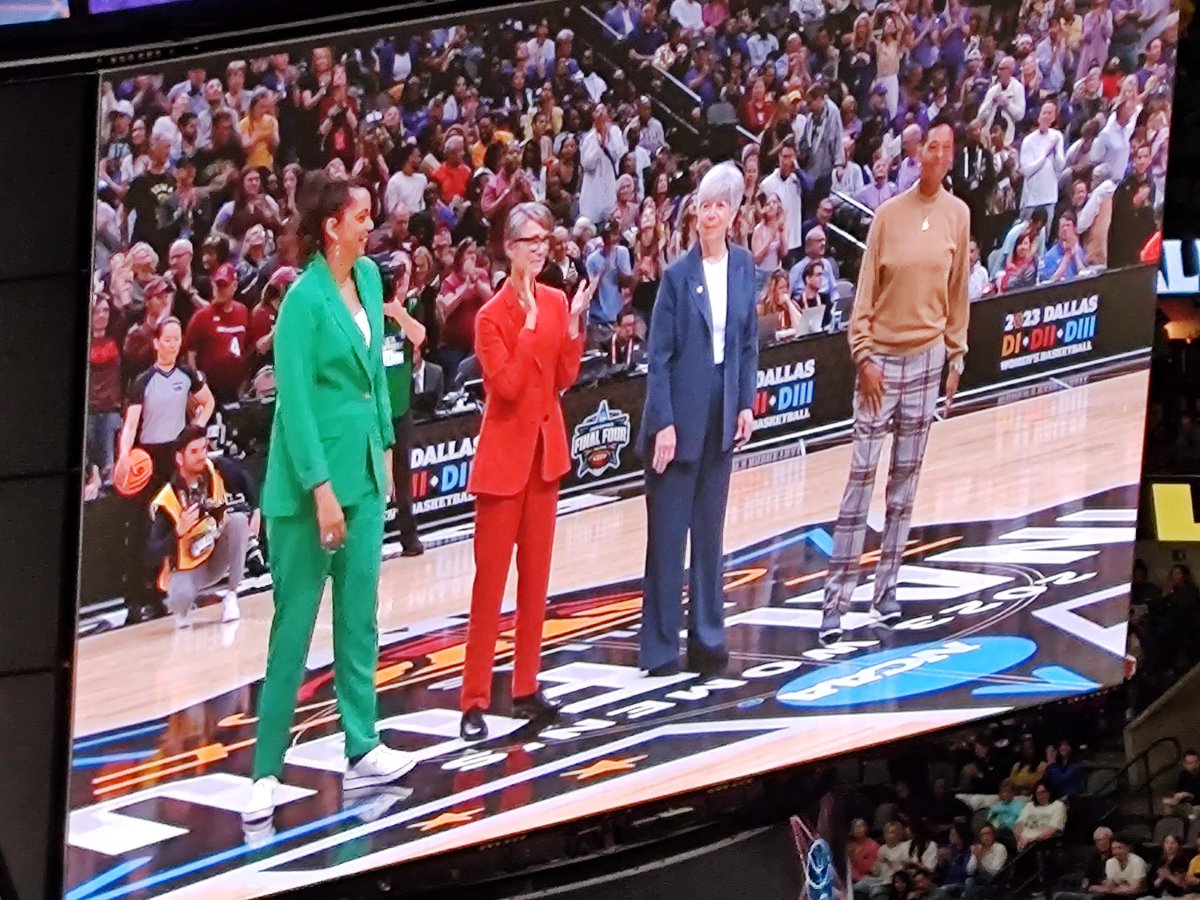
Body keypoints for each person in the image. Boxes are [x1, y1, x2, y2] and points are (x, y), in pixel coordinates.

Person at [245, 174, 415, 823]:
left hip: (367, 475)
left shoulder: (370, 280)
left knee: (360, 618)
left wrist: (388, 451)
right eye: (361, 215)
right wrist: (321, 492)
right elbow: (294, 407)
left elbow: (376, 377)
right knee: (293, 627)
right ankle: (264, 770)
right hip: (309, 489)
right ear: (330, 227)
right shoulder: (302, 303)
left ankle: (362, 743)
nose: (370, 224)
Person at [820, 119, 969, 644]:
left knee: (903, 490)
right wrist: (863, 358)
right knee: (859, 485)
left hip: (928, 360)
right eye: (933, 145)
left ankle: (885, 594)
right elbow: (863, 297)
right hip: (881, 360)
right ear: (918, 152)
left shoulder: (959, 216)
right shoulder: (886, 215)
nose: (939, 154)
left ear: (951, 158)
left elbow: (958, 295)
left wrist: (956, 358)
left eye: (948, 149)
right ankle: (834, 606)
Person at [458, 202, 596, 741]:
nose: (542, 248)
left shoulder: (559, 300)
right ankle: (472, 699)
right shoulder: (491, 317)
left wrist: (574, 324)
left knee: (536, 582)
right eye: (532, 240)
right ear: (510, 249)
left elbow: (562, 375)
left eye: (546, 240)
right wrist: (535, 327)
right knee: (489, 586)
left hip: (545, 458)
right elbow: (509, 387)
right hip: (502, 464)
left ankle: (525, 685)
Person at [637, 162, 758, 677]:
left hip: (722, 408)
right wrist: (663, 422)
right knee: (667, 538)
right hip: (678, 416)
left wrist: (746, 403)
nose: (710, 214)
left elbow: (748, 341)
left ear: (732, 214)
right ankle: (660, 650)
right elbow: (657, 356)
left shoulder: (744, 267)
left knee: (710, 535)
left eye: (719, 206)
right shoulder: (676, 276)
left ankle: (708, 640)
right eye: (703, 205)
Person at [147, 425, 255, 627]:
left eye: (204, 449)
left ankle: (232, 595)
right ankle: (182, 610)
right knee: (180, 599)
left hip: (214, 556)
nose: (201, 456)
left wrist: (256, 510)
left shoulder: (216, 469)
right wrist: (178, 532)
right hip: (187, 568)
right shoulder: (168, 498)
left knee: (239, 521)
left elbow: (245, 479)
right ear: (180, 458)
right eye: (194, 452)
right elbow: (151, 552)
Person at [380, 251, 428, 556]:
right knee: (377, 480)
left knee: (402, 475)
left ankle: (408, 537)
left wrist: (397, 312)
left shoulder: (409, 307)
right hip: (373, 409)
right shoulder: (365, 311)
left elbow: (419, 335)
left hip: (400, 406)